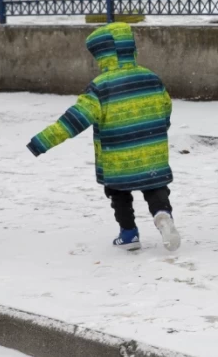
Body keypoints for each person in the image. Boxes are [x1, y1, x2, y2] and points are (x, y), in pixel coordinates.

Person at [26, 22, 180, 252]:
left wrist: (41, 142)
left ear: (102, 55)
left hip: (117, 157)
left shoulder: (100, 87)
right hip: (152, 152)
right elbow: (165, 108)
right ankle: (162, 215)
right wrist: (157, 130)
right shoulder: (151, 78)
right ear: (130, 49)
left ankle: (128, 234)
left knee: (118, 192)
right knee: (155, 186)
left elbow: (74, 121)